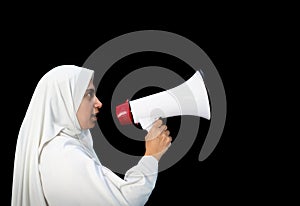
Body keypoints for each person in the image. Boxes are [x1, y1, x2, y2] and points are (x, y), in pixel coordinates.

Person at [11, 65, 172, 206]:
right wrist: (151, 156)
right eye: (89, 94)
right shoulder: (61, 155)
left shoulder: (68, 146)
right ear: (65, 100)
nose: (98, 103)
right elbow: (125, 201)